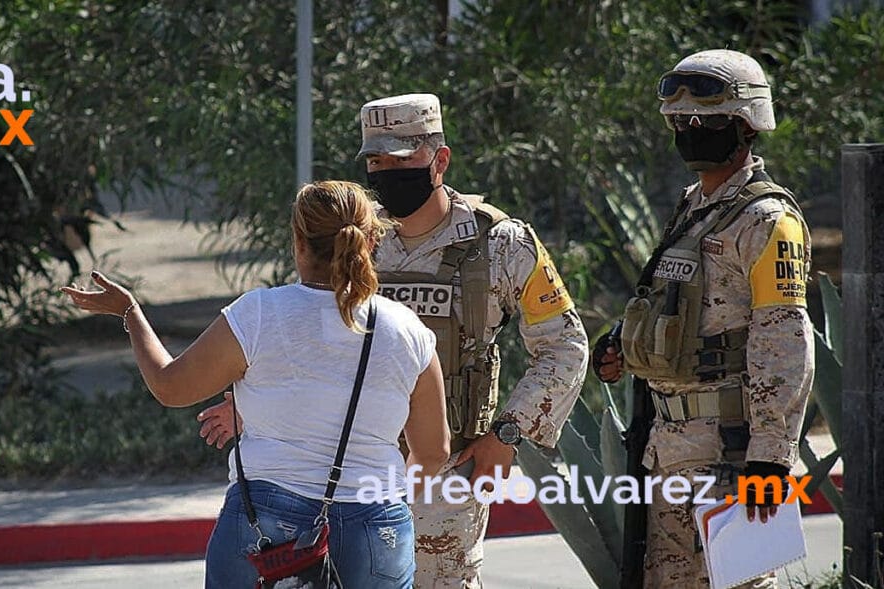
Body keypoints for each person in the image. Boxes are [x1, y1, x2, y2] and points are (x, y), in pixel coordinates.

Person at [200, 93, 590, 588]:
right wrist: (253, 404)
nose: (388, 172)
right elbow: (302, 330)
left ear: (439, 159)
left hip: (448, 476)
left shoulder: (499, 243)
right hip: (344, 481)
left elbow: (565, 346)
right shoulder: (350, 234)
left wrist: (509, 436)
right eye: (377, 161)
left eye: (403, 160)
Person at [64, 181, 451, 589]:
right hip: (377, 522)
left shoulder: (260, 315)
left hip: (268, 520)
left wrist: (130, 312)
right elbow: (433, 450)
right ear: (371, 242)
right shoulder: (408, 330)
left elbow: (170, 386)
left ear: (299, 243)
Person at [592, 50, 814, 588]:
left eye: (707, 123)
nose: (692, 132)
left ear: (746, 126)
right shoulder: (695, 205)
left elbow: (784, 342)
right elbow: (681, 303)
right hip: (669, 448)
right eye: (682, 122)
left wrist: (769, 459)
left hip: (731, 456)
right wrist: (626, 342)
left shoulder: (767, 220)